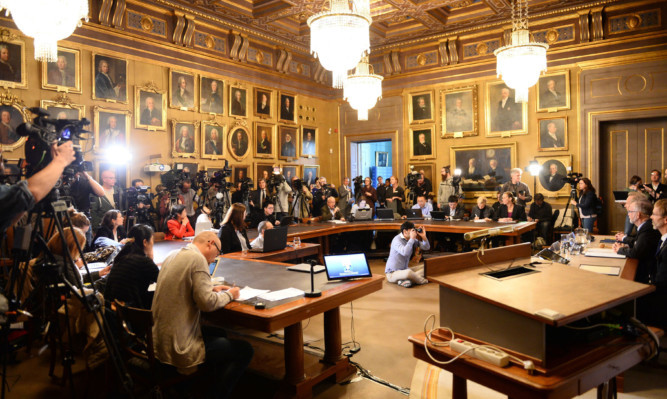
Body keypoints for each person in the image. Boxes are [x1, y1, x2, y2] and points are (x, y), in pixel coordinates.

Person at [151, 231, 252, 398]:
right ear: (210, 243)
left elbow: (182, 286)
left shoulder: (172, 254)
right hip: (180, 345)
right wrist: (230, 294)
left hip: (160, 340)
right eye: (218, 252)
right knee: (245, 350)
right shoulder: (197, 259)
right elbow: (207, 303)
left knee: (219, 333)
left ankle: (201, 386)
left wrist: (211, 289)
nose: (215, 258)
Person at [104, 224, 158, 309]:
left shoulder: (121, 257)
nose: (153, 244)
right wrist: (150, 257)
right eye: (152, 241)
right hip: (131, 313)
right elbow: (162, 280)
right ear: (145, 242)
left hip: (112, 309)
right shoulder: (143, 261)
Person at [613, 199, 659, 284]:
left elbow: (636, 252)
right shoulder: (644, 226)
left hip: (647, 275)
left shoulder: (647, 228)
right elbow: (637, 242)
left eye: (630, 211)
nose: (628, 214)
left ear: (638, 214)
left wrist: (620, 249)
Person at [385, 222, 430, 288]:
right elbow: (405, 252)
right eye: (412, 231)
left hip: (404, 269)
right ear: (405, 231)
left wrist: (424, 237)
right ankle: (421, 280)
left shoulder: (411, 239)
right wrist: (412, 239)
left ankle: (407, 281)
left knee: (427, 267)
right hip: (392, 273)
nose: (414, 232)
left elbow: (426, 247)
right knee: (408, 273)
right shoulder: (396, 240)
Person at [644, 199, 667, 326]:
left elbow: (662, 283)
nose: (651, 217)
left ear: (665, 220)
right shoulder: (663, 239)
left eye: (654, 214)